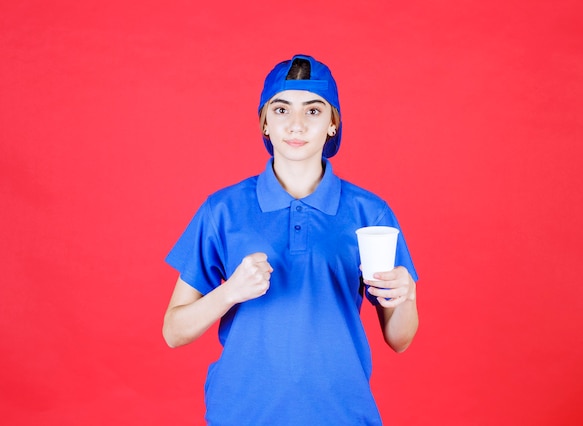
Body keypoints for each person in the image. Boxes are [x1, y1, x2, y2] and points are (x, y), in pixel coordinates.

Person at [163, 54, 419, 425]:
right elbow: (173, 332)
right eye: (281, 110)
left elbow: (400, 339)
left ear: (333, 124)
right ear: (264, 122)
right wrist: (229, 291)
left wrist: (406, 294)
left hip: (342, 413)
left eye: (313, 112)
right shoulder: (223, 210)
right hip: (242, 413)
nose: (296, 125)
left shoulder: (369, 213)